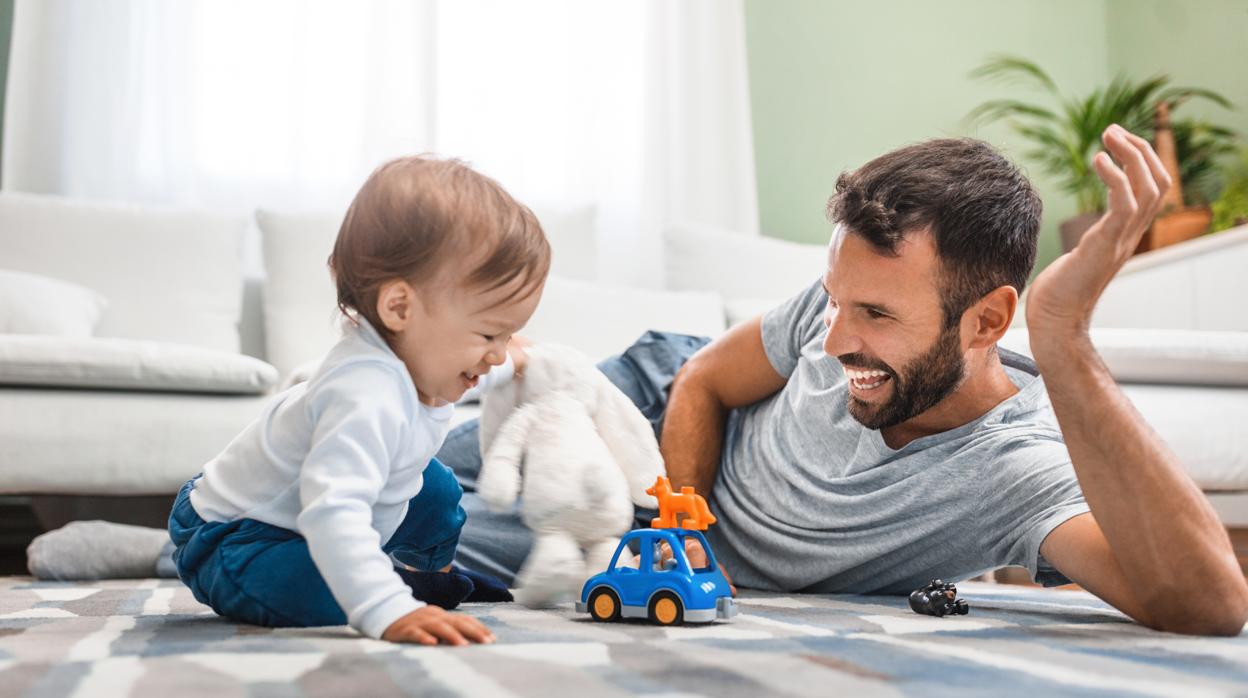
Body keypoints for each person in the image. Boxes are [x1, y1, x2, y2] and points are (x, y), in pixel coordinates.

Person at [441, 126, 1248, 636]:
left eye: (875, 314)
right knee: (396, 463)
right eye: (834, 299)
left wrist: (1065, 336)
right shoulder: (838, 316)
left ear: (988, 322)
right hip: (647, 418)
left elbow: (1211, 606)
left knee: (413, 532)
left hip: (635, 517)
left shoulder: (1016, 473)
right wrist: (683, 539)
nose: (831, 340)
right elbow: (702, 379)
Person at [167, 156, 549, 645]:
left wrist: (524, 362)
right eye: (488, 334)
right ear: (399, 307)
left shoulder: (422, 359)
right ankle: (395, 590)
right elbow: (333, 511)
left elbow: (489, 370)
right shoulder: (364, 394)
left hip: (310, 516)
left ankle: (428, 577)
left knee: (437, 489)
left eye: (508, 335)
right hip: (237, 535)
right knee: (329, 598)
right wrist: (385, 610)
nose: (496, 353)